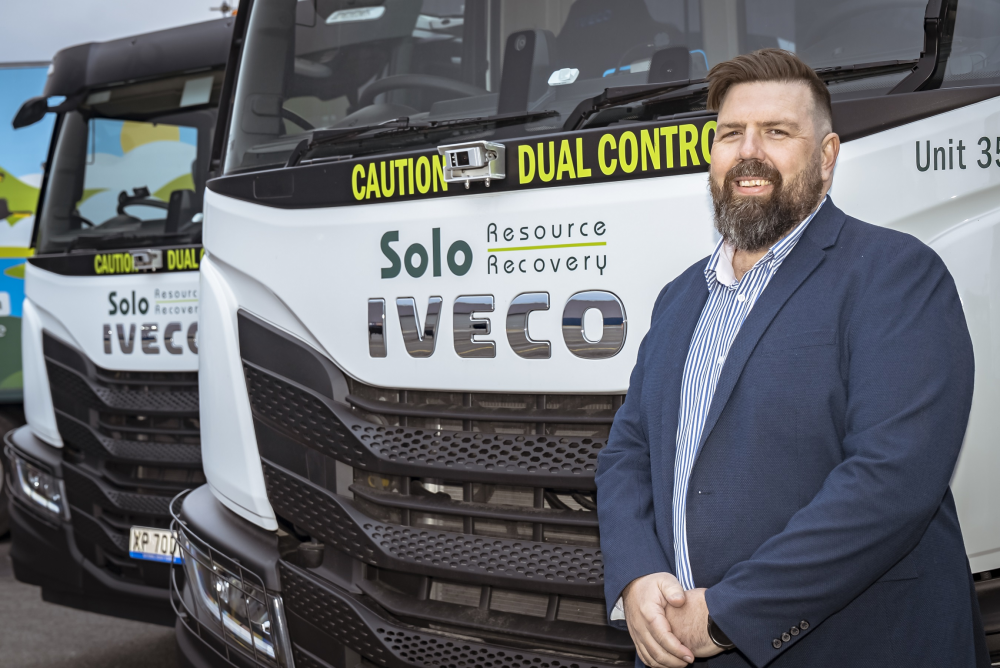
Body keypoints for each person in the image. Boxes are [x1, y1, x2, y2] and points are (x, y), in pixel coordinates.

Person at [595, 48, 989, 668]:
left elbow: (889, 482)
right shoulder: (680, 297)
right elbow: (628, 453)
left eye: (777, 132)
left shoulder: (896, 275)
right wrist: (636, 575)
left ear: (827, 156)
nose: (748, 152)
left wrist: (728, 615)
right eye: (731, 134)